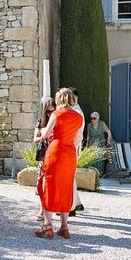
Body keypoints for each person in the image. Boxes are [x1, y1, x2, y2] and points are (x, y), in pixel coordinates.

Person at [36, 88, 83, 239]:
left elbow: (44, 135)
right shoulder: (78, 117)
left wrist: (42, 131)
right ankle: (64, 227)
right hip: (69, 153)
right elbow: (77, 139)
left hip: (56, 151)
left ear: (60, 99)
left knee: (49, 185)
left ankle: (48, 225)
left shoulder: (57, 114)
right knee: (66, 187)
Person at [33, 98, 55, 221]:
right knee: (41, 184)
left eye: (53, 111)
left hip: (56, 156)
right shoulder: (40, 122)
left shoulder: (58, 121)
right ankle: (42, 209)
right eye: (48, 112)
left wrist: (44, 134)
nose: (51, 114)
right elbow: (35, 139)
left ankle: (50, 209)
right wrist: (44, 135)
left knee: (53, 184)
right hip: (44, 156)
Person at [69, 88, 86, 216]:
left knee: (69, 178)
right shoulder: (75, 111)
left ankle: (72, 206)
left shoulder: (77, 113)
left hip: (71, 148)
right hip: (71, 147)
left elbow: (77, 135)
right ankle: (76, 202)